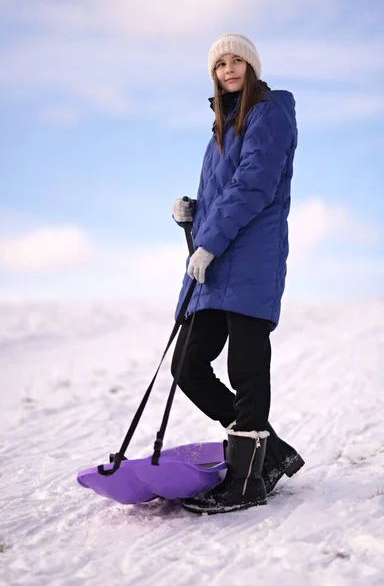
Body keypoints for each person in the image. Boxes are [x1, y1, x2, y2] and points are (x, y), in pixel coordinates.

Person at [171, 33, 304, 514]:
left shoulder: (269, 114)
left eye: (236, 61)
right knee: (187, 365)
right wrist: (194, 213)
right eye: (220, 64)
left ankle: (247, 478)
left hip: (249, 257)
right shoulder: (221, 128)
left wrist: (207, 240)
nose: (228, 69)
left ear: (251, 67)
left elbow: (253, 186)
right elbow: (226, 189)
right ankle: (271, 453)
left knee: (245, 370)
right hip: (216, 260)